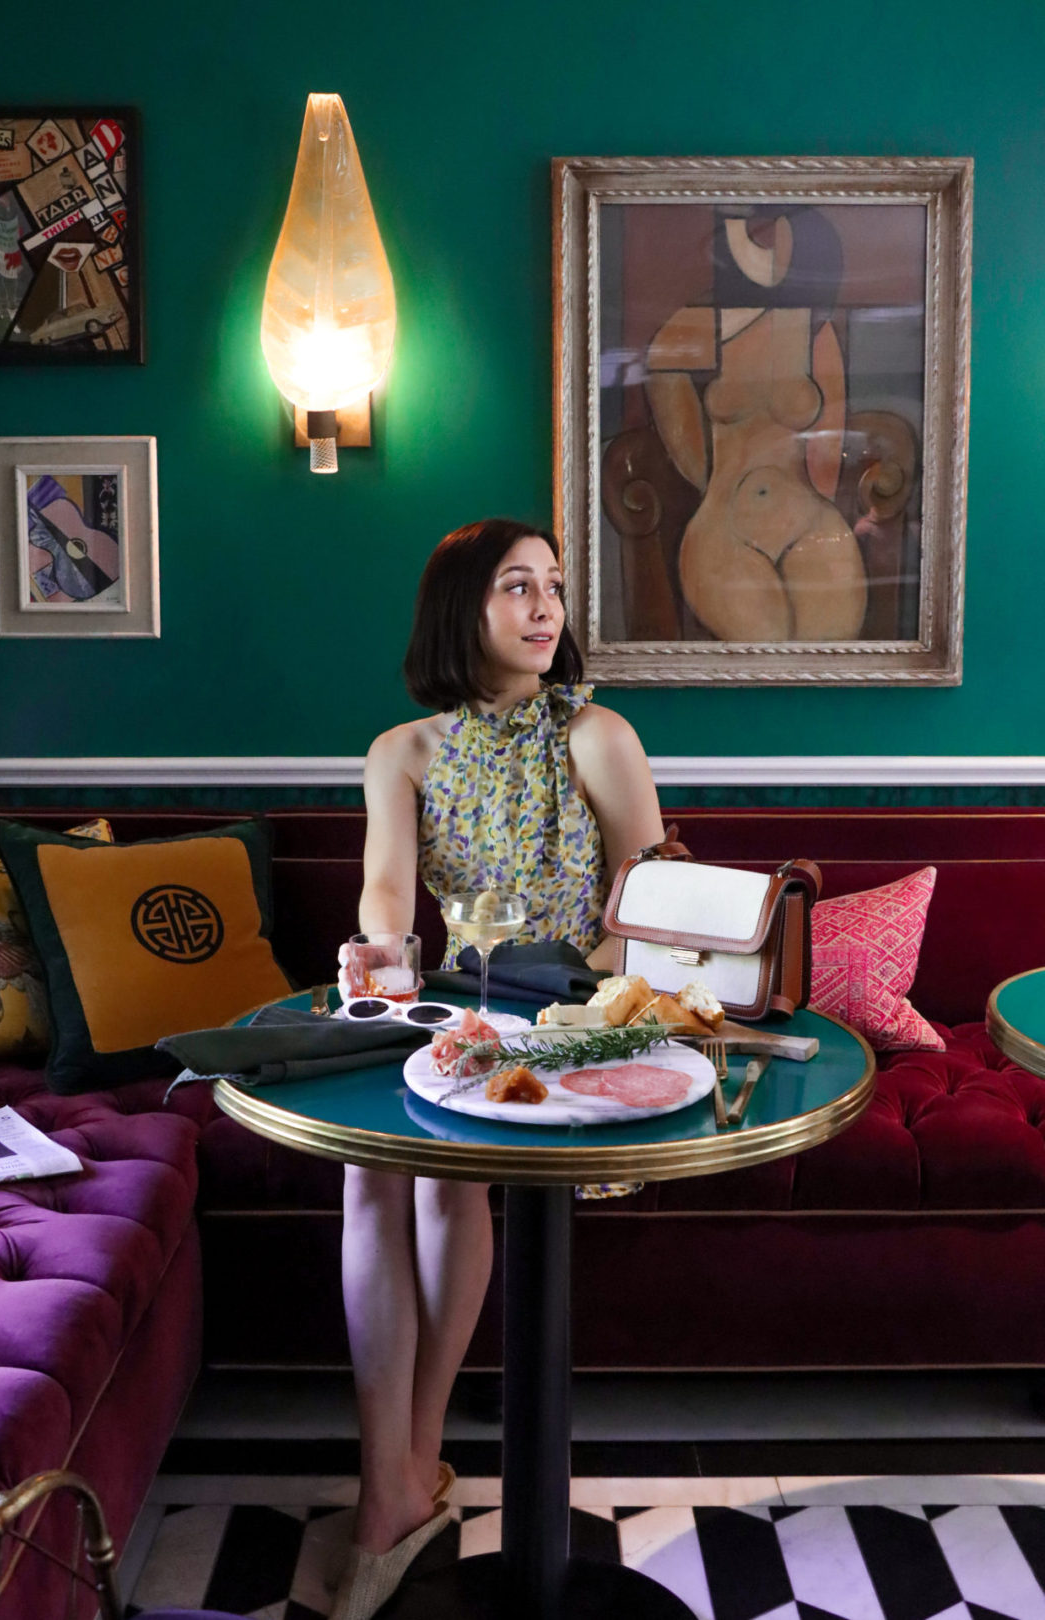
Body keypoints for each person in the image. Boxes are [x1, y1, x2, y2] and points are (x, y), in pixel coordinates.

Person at [332, 517, 665, 1620]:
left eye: (556, 588)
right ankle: (399, 1477)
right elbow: (387, 891)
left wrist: (573, 1013)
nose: (545, 607)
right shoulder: (402, 751)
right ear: (460, 607)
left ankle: (402, 1482)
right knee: (373, 1162)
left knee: (445, 1164)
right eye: (518, 586)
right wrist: (380, 956)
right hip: (456, 1011)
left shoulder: (600, 735)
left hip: (579, 1017)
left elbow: (647, 900)